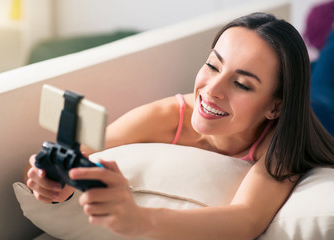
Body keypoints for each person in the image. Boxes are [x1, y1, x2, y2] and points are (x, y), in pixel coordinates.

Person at [24, 12, 334, 239]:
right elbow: (88, 152)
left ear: (274, 107)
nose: (212, 89)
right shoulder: (167, 115)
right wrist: (55, 182)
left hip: (323, 110)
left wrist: (140, 219)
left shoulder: (280, 141)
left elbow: (246, 221)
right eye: (213, 65)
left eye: (242, 84)